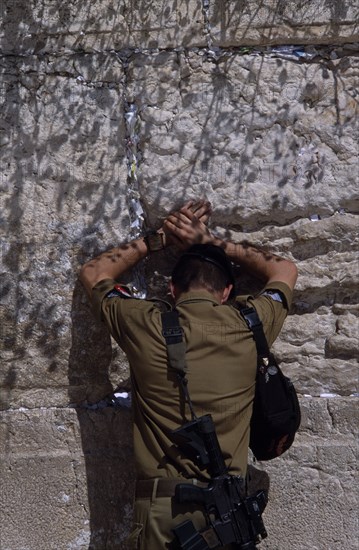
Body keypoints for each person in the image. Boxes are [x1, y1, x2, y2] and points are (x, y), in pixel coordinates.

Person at [79, 200, 298, 549]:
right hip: (228, 516)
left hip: (160, 516)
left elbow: (94, 272)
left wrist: (159, 238)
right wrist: (210, 240)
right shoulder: (249, 324)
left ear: (172, 290)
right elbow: (284, 269)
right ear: (227, 293)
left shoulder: (144, 323)